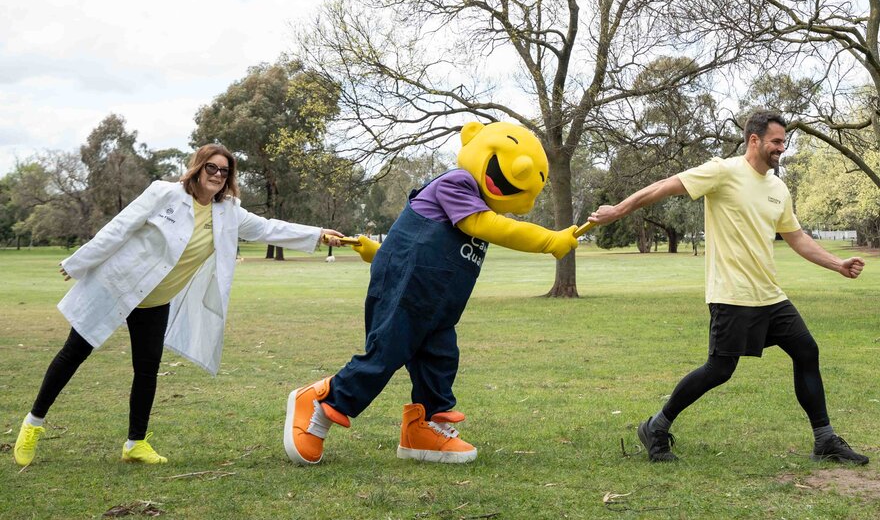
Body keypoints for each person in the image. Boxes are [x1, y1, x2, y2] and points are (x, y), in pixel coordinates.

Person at [13, 144, 343, 466]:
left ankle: (135, 444)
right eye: (211, 167)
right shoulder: (164, 194)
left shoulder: (228, 212)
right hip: (119, 286)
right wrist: (79, 262)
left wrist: (317, 235)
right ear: (198, 168)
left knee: (146, 371)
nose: (217, 175)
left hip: (155, 302)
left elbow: (269, 228)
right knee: (73, 354)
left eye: (224, 171)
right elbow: (121, 226)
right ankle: (33, 424)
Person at [283, 121, 579, 465]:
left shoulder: (477, 206)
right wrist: (549, 240)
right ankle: (320, 401)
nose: (523, 169)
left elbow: (422, 243)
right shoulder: (457, 183)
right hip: (408, 293)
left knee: (439, 360)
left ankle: (422, 429)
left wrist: (378, 251)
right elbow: (477, 227)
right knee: (386, 353)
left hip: (438, 305)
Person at [588, 110, 868, 465]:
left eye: (784, 142)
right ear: (754, 140)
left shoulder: (778, 188)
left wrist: (837, 264)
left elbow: (796, 238)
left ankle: (824, 439)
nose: (782, 148)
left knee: (806, 351)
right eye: (776, 141)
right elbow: (664, 186)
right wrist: (619, 210)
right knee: (720, 370)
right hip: (731, 294)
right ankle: (655, 427)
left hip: (769, 294)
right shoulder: (722, 172)